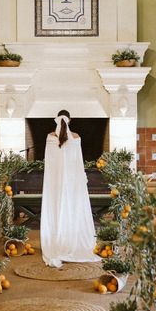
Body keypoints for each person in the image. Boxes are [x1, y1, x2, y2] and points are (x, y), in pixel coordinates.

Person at [40, 110, 100, 268]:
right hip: (73, 184)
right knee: (72, 209)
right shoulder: (77, 138)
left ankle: (57, 242)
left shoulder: (50, 138)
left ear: (56, 120)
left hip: (55, 184)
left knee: (57, 207)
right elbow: (78, 163)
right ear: (70, 120)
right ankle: (71, 240)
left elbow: (50, 164)